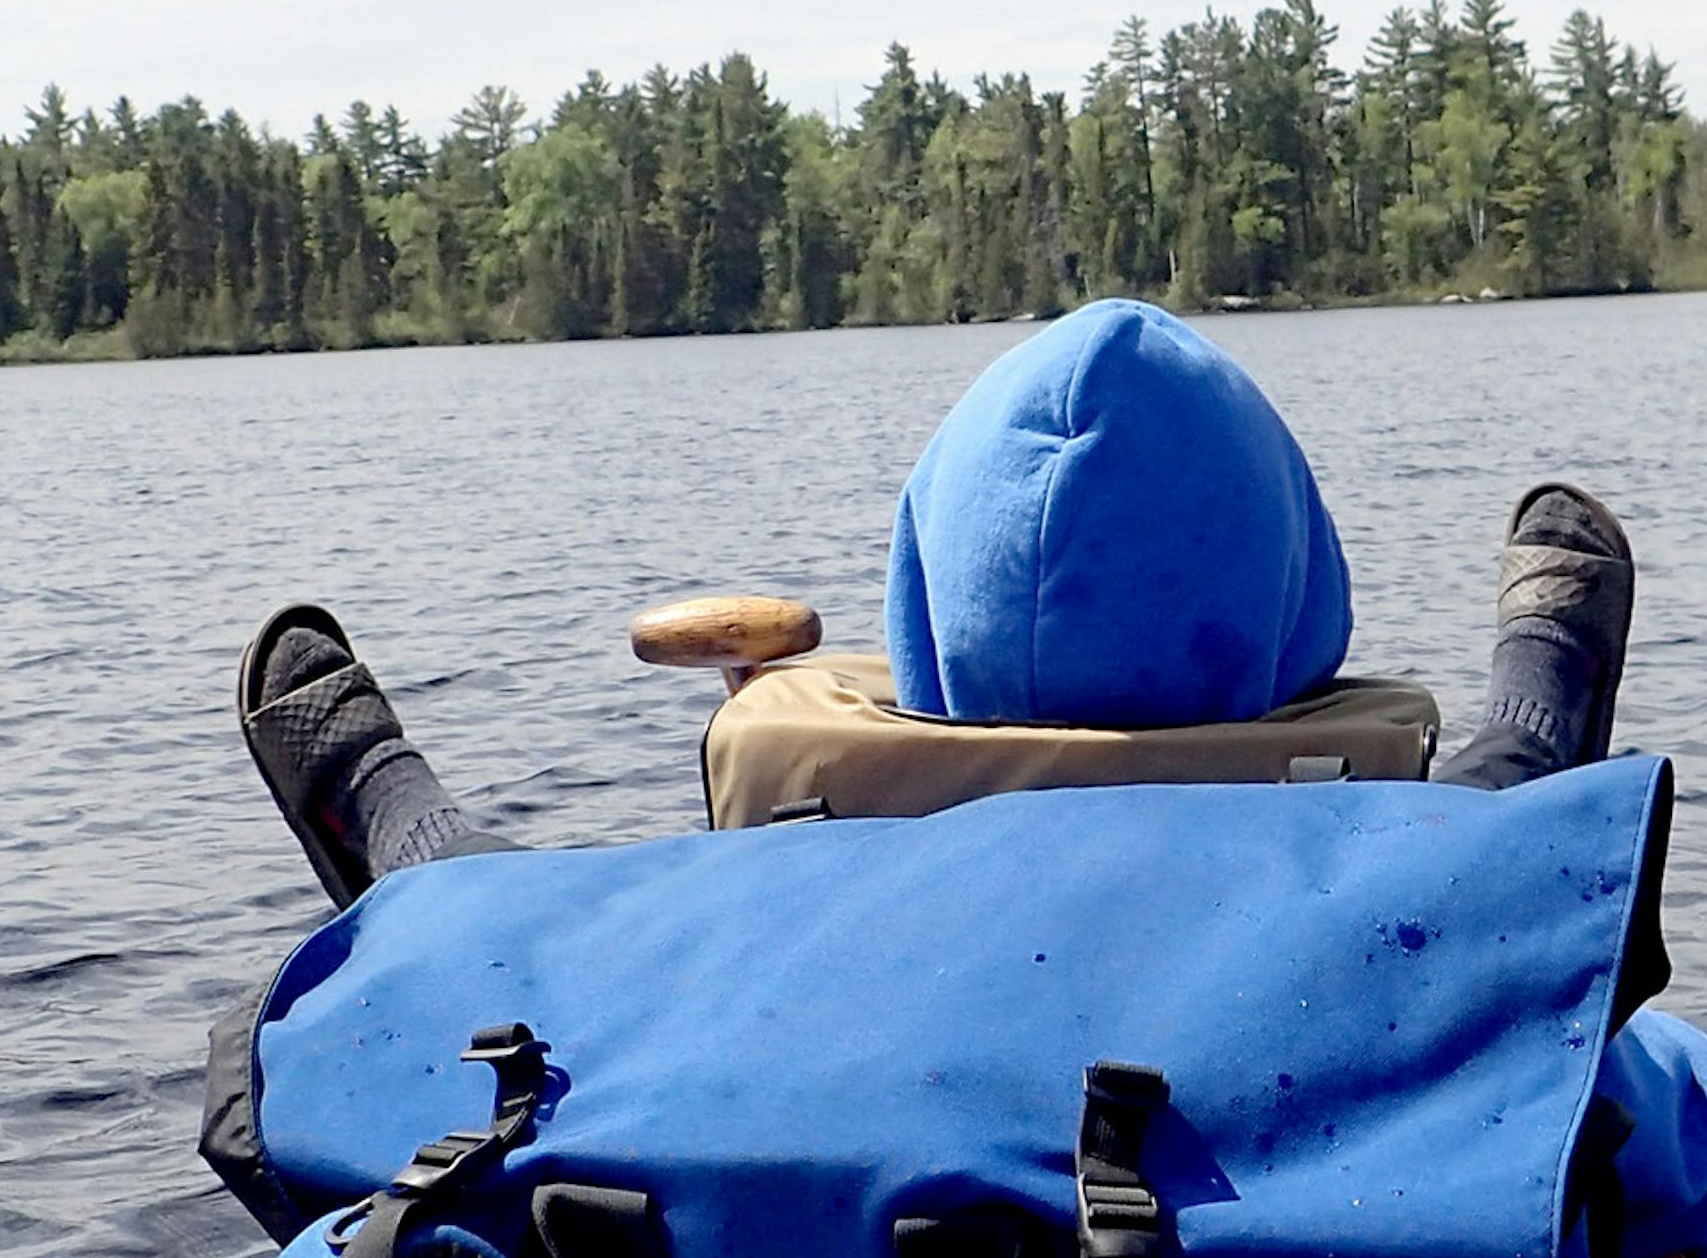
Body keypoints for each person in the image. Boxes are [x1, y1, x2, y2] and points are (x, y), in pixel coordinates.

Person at [237, 304, 1636, 897]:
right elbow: (1700, 1140)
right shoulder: (1410, 915)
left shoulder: (768, 941)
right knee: (1504, 821)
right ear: (1300, 599)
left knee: (497, 915)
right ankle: (1544, 681)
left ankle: (382, 800)